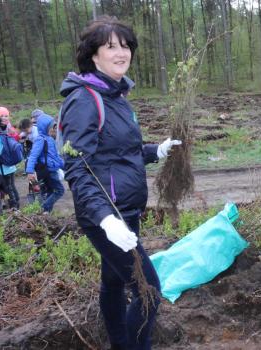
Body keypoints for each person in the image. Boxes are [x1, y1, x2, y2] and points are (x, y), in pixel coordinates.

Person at [59, 16, 181, 350]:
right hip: (105, 215)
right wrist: (104, 218)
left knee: (112, 284)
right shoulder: (84, 100)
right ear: (93, 55)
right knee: (148, 290)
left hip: (124, 211)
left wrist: (155, 151)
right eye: (111, 46)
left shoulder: (115, 97)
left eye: (125, 45)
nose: (121, 52)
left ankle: (118, 343)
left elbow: (118, 153)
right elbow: (77, 166)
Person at [25, 114, 65, 213]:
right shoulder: (41, 139)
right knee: (60, 190)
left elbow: (55, 156)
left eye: (54, 127)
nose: (54, 129)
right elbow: (33, 155)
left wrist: (65, 165)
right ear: (45, 127)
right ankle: (43, 208)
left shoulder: (50, 139)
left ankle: (46, 213)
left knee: (50, 191)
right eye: (52, 127)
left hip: (52, 169)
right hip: (48, 171)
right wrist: (29, 171)